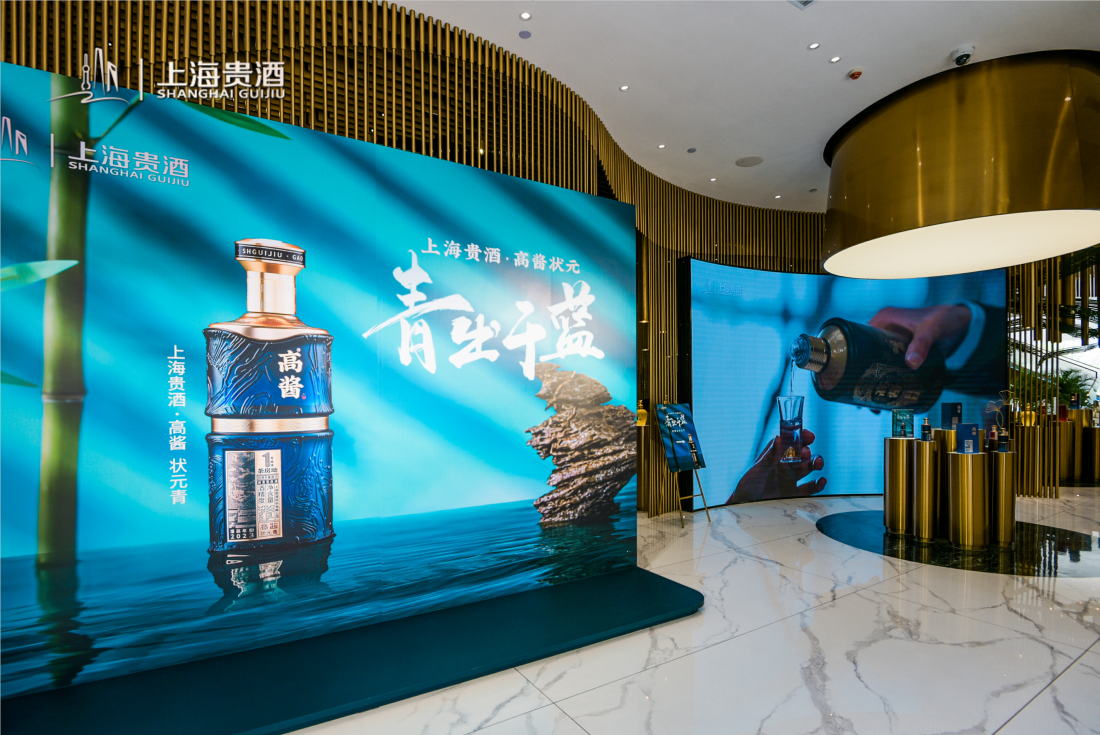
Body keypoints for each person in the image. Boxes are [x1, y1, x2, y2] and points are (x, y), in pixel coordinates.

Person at [726, 300, 1004, 505]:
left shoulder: (835, 340)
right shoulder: (826, 379)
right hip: (946, 388)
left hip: (948, 376)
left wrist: (961, 323)